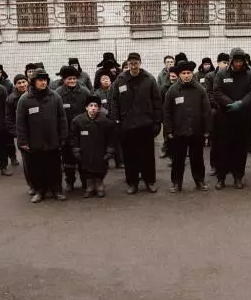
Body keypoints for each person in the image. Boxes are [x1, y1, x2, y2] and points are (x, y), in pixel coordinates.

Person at [110, 52, 163, 195]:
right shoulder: (120, 80)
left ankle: (149, 181)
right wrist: (117, 121)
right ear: (127, 64)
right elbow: (114, 102)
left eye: (136, 63)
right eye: (131, 63)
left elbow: (157, 101)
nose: (133, 66)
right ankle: (132, 183)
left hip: (146, 125)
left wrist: (157, 121)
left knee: (147, 156)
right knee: (129, 156)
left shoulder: (149, 79)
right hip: (127, 126)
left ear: (140, 63)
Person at [16, 68, 68, 203]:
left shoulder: (55, 97)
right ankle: (40, 191)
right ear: (33, 81)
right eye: (40, 80)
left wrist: (63, 136)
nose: (43, 82)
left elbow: (62, 118)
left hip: (53, 140)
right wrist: (23, 141)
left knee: (54, 167)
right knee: (37, 168)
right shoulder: (25, 99)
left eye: (45, 80)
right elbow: (20, 123)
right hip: (34, 141)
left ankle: (57, 190)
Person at [212, 47, 251, 190]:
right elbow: (217, 91)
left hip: (243, 117)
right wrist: (229, 103)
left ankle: (238, 176)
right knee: (223, 148)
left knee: (240, 149)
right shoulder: (221, 73)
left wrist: (241, 103)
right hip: (225, 116)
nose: (238, 64)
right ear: (231, 61)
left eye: (241, 61)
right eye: (236, 61)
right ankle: (221, 177)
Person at [164, 59, 212, 192]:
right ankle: (176, 183)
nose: (186, 75)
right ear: (179, 75)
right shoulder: (173, 90)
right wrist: (169, 130)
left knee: (197, 159)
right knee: (177, 160)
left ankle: (199, 181)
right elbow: (167, 112)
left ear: (192, 74)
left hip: (197, 131)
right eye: (183, 73)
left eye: (188, 73)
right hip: (178, 132)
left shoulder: (200, 89)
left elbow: (206, 111)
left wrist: (207, 130)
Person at [70, 94, 115, 198]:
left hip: (100, 151)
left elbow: (111, 138)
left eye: (96, 106)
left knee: (100, 167)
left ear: (99, 108)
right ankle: (89, 186)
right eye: (91, 106)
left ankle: (99, 185)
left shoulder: (106, 121)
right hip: (85, 151)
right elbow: (74, 137)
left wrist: (109, 151)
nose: (93, 108)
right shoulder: (77, 121)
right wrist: (76, 150)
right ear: (86, 107)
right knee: (86, 168)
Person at [54, 65, 90, 191]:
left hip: (83, 132)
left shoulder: (84, 92)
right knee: (68, 159)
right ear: (64, 79)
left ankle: (85, 182)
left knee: (83, 158)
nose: (72, 81)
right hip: (67, 132)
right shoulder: (58, 94)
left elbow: (91, 108)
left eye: (74, 78)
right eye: (69, 79)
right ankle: (70, 182)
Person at [5, 74, 33, 193]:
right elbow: (9, 118)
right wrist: (16, 133)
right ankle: (32, 186)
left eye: (24, 82)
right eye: (19, 83)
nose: (22, 85)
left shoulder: (34, 95)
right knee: (27, 163)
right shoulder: (11, 99)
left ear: (28, 82)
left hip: (36, 134)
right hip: (23, 135)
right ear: (15, 85)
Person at [207, 53, 229, 175]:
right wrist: (219, 105)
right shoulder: (210, 76)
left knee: (228, 140)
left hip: (228, 112)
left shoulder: (230, 75)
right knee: (215, 141)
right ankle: (214, 166)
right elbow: (209, 93)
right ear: (218, 63)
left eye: (228, 63)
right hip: (216, 112)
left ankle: (227, 165)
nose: (226, 65)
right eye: (224, 62)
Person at [159, 65, 180, 160]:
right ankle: (167, 151)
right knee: (166, 135)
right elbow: (160, 102)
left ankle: (175, 156)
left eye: (174, 76)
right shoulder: (164, 87)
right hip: (167, 116)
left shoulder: (180, 87)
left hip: (178, 116)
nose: (172, 78)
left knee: (176, 138)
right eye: (171, 76)